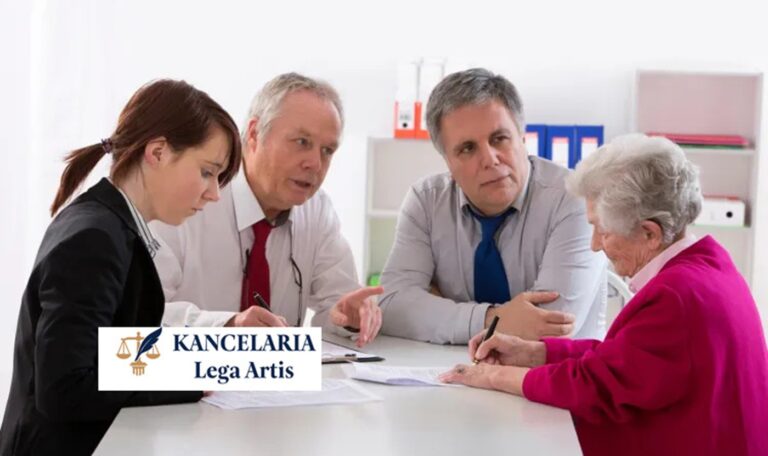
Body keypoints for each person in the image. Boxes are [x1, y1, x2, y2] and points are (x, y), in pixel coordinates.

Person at [440, 134, 768, 455]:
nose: (595, 245)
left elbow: (595, 386)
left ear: (650, 233)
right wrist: (532, 353)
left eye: (603, 230)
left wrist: (494, 376)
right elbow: (626, 360)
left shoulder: (676, 296)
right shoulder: (708, 264)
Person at [0, 79, 242, 455]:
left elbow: (108, 354)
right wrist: (187, 380)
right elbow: (64, 388)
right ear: (158, 152)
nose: (214, 194)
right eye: (208, 172)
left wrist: (197, 358)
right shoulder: (94, 238)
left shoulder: (108, 224)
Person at [151, 73, 382, 347]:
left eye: (327, 150)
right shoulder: (187, 199)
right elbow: (142, 314)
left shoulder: (317, 211)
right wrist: (226, 326)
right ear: (253, 134)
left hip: (277, 373)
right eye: (302, 142)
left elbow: (337, 307)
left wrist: (350, 318)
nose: (315, 164)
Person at [379, 68, 606, 344]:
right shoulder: (426, 201)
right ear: (447, 162)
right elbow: (392, 305)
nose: (489, 159)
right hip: (447, 366)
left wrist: (438, 310)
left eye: (499, 139)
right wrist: (492, 318)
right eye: (467, 148)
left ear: (522, 137)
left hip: (553, 369)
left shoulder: (574, 197)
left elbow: (551, 324)